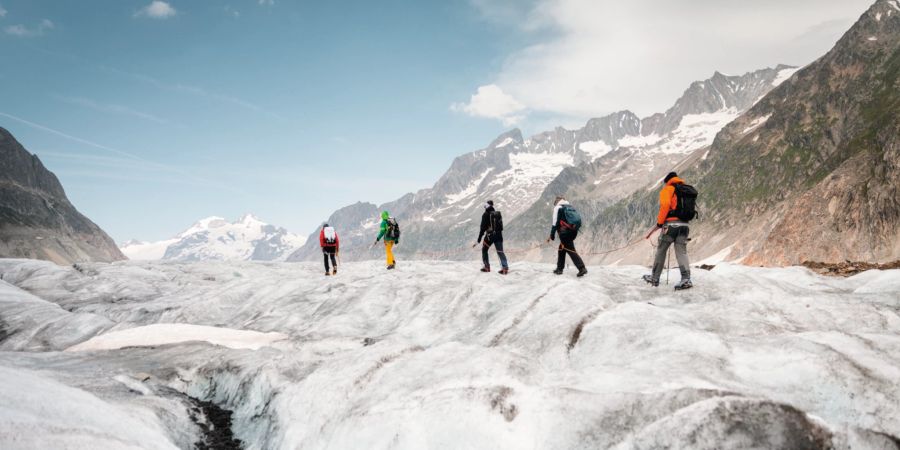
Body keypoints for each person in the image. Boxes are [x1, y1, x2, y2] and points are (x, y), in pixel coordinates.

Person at [643, 172, 692, 290]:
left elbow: (665, 205)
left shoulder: (668, 189)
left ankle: (654, 278)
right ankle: (686, 279)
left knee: (661, 250)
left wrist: (660, 223)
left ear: (667, 181)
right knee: (682, 252)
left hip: (670, 226)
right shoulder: (686, 191)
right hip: (684, 226)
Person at [547, 196, 588, 277]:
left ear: (556, 202)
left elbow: (555, 223)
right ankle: (559, 269)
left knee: (570, 249)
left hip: (564, 233)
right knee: (561, 249)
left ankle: (582, 268)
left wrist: (552, 235)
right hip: (573, 231)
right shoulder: (569, 207)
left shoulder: (557, 208)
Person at [473, 200, 509, 274]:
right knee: (500, 252)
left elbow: (482, 229)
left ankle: (487, 267)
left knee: (484, 249)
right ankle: (505, 268)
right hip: (499, 235)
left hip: (490, 236)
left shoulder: (485, 214)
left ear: (486, 206)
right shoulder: (496, 214)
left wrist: (478, 240)